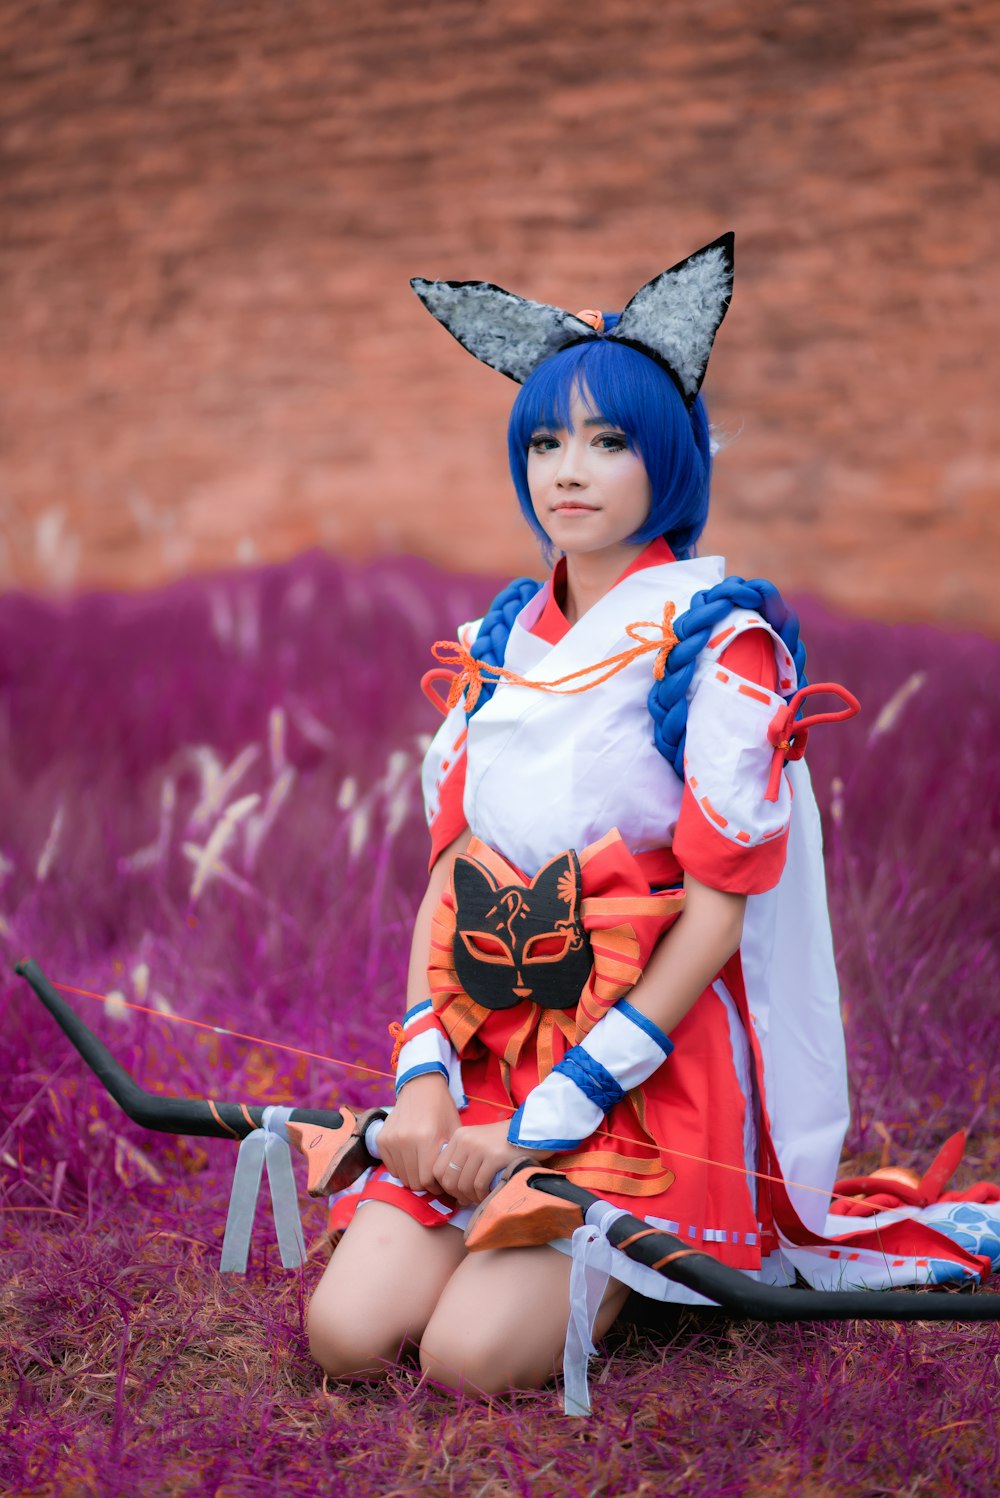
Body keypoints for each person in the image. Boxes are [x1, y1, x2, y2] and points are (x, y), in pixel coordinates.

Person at [306, 235, 852, 1395]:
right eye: (546, 439)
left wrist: (564, 1106)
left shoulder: (722, 639)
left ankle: (642, 1273)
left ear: (668, 458)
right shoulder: (503, 640)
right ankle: (503, 1222)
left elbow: (710, 922)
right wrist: (419, 1078)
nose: (571, 468)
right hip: (489, 1048)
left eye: (609, 441)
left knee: (463, 1361)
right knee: (347, 1337)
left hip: (641, 1076)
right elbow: (452, 869)